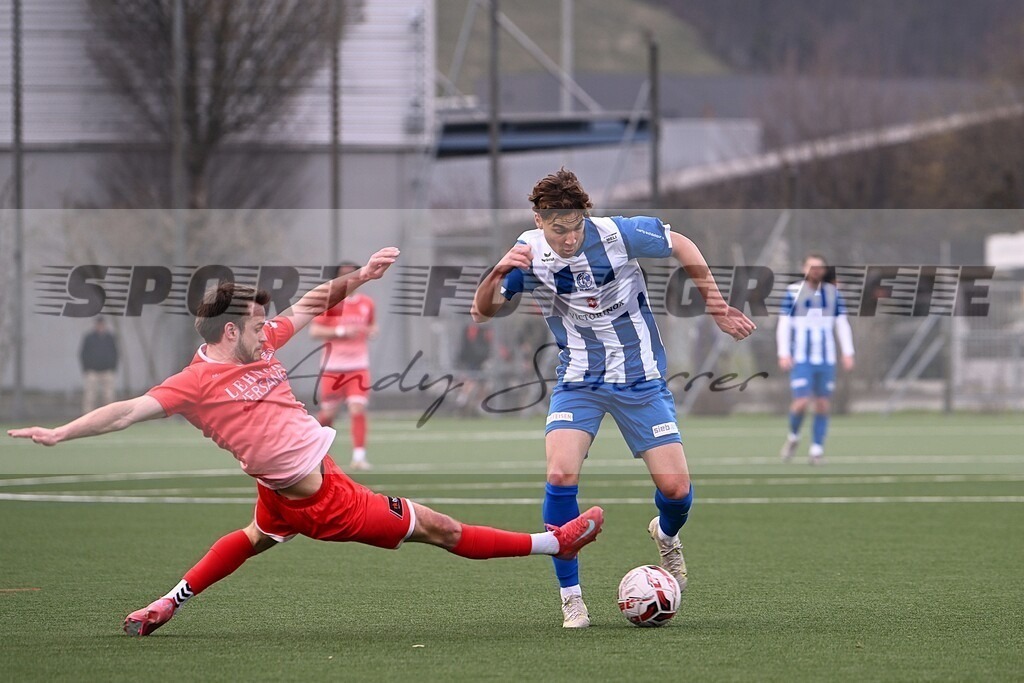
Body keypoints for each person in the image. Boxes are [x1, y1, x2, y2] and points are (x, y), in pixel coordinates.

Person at [8, 247, 604, 637]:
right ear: (230, 330)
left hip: (286, 488)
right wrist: (62, 432)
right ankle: (553, 547)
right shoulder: (195, 382)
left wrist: (362, 277)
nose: (273, 330)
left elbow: (312, 302)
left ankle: (168, 602)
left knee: (253, 537)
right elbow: (126, 412)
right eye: (259, 324)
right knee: (438, 529)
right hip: (321, 502)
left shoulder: (258, 341)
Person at [471, 168, 755, 628]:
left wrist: (717, 306)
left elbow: (681, 244)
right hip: (578, 381)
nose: (568, 238)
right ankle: (572, 597)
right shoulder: (528, 253)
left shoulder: (618, 233)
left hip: (641, 379)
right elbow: (481, 312)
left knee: (677, 491)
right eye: (557, 229)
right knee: (561, 473)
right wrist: (501, 270)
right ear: (539, 222)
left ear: (586, 214)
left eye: (575, 226)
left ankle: (665, 533)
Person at [777, 253, 855, 464]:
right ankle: (793, 437)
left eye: (820, 267)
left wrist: (848, 352)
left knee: (822, 404)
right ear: (804, 269)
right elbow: (784, 323)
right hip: (802, 359)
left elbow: (842, 323)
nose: (816, 271)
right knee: (801, 402)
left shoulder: (833, 293)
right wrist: (783, 353)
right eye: (812, 267)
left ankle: (816, 449)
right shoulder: (793, 292)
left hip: (826, 359)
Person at [308, 262, 376, 470]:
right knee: (328, 414)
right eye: (344, 275)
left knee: (357, 408)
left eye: (353, 275)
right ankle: (312, 453)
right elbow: (314, 331)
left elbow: (372, 325)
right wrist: (341, 332)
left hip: (358, 367)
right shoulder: (331, 304)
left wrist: (371, 331)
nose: (349, 279)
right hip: (333, 368)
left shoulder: (366, 303)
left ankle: (359, 457)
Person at [79, 317, 118, 413]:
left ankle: (109, 416)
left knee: (109, 396)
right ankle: (87, 417)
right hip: (93, 371)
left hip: (107, 371)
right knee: (90, 397)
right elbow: (83, 354)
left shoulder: (110, 337)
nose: (100, 327)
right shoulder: (89, 338)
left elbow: (115, 353)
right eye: (98, 325)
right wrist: (86, 368)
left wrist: (113, 367)